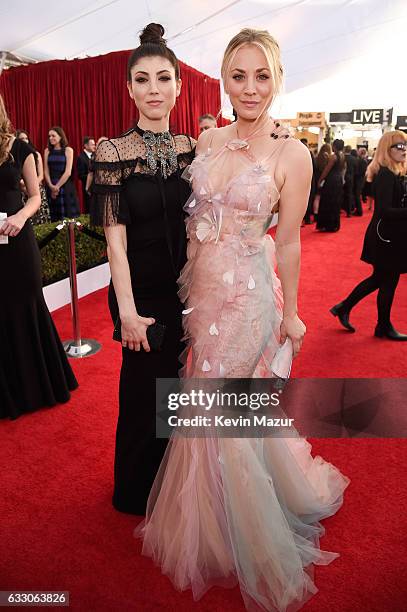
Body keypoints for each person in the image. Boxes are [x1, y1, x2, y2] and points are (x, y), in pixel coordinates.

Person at [135, 28, 349, 612]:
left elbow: (290, 245)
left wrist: (296, 314)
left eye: (261, 76)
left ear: (277, 79)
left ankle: (245, 528)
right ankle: (211, 516)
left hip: (251, 298)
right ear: (224, 80)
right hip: (201, 293)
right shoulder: (206, 141)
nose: (249, 88)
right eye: (238, 75)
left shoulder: (293, 152)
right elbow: (190, 224)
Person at [90, 24, 195, 514]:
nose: (153, 88)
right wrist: (127, 313)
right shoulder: (112, 152)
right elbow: (116, 242)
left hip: (190, 292)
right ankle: (137, 492)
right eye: (142, 79)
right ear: (129, 87)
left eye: (163, 78)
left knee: (179, 392)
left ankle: (177, 485)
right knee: (142, 397)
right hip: (141, 296)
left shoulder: (192, 147)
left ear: (178, 85)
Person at [0, 95, 78, 419]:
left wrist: (19, 218)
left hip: (18, 241)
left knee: (28, 303)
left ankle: (40, 386)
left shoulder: (19, 148)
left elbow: (35, 196)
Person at [330, 131, 407, 340]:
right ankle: (380, 325)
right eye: (399, 146)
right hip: (385, 237)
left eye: (405, 145)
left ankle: (347, 308)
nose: (404, 149)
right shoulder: (385, 174)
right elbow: (383, 210)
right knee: (386, 280)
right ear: (387, 149)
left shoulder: (393, 173)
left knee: (382, 279)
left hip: (390, 236)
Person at [44, 126, 79, 221]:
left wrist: (57, 187)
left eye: (53, 135)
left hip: (65, 186)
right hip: (51, 185)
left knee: (67, 217)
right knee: (53, 216)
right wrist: (51, 186)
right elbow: (46, 170)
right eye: (49, 136)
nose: (51, 138)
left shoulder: (68, 150)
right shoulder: (47, 151)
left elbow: (68, 172)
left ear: (60, 137)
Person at [16, 129, 51, 225]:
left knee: (41, 219)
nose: (24, 140)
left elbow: (41, 175)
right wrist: (22, 183)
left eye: (26, 138)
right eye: (22, 138)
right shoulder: (14, 155)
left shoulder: (36, 154)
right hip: (20, 191)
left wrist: (31, 184)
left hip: (36, 190)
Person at [316, 139, 346, 232]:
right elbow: (343, 169)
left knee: (327, 201)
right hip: (338, 180)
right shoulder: (342, 156)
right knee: (335, 202)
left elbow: (326, 170)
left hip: (331, 181)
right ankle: (334, 225)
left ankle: (326, 225)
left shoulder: (333, 157)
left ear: (334, 146)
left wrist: (320, 180)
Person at [77, 136, 96, 213]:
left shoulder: (96, 155)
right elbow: (80, 175)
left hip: (97, 187)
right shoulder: (81, 158)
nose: (94, 146)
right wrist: (91, 177)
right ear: (86, 145)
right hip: (88, 188)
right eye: (92, 144)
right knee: (89, 208)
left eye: (94, 144)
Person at [353, 147, 368, 216]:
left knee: (357, 195)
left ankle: (359, 211)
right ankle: (358, 210)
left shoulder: (361, 161)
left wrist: (354, 173)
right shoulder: (364, 160)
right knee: (357, 195)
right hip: (361, 180)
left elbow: (360, 172)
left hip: (359, 180)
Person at [343, 144, 357, 217]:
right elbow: (356, 170)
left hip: (342, 178)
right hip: (351, 178)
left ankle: (340, 209)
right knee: (349, 194)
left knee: (341, 194)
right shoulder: (354, 159)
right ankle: (349, 212)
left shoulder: (342, 158)